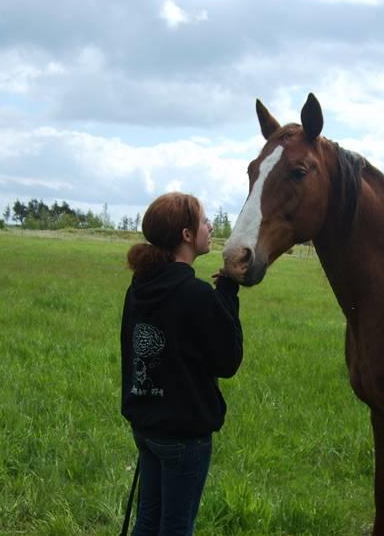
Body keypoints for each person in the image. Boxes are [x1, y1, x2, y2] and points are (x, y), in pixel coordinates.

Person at [120, 192, 243, 536]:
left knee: (148, 520)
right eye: (204, 221)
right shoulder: (196, 293)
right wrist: (229, 292)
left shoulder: (140, 286)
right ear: (187, 235)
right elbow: (228, 360)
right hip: (184, 435)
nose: (210, 226)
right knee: (176, 526)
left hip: (146, 425)